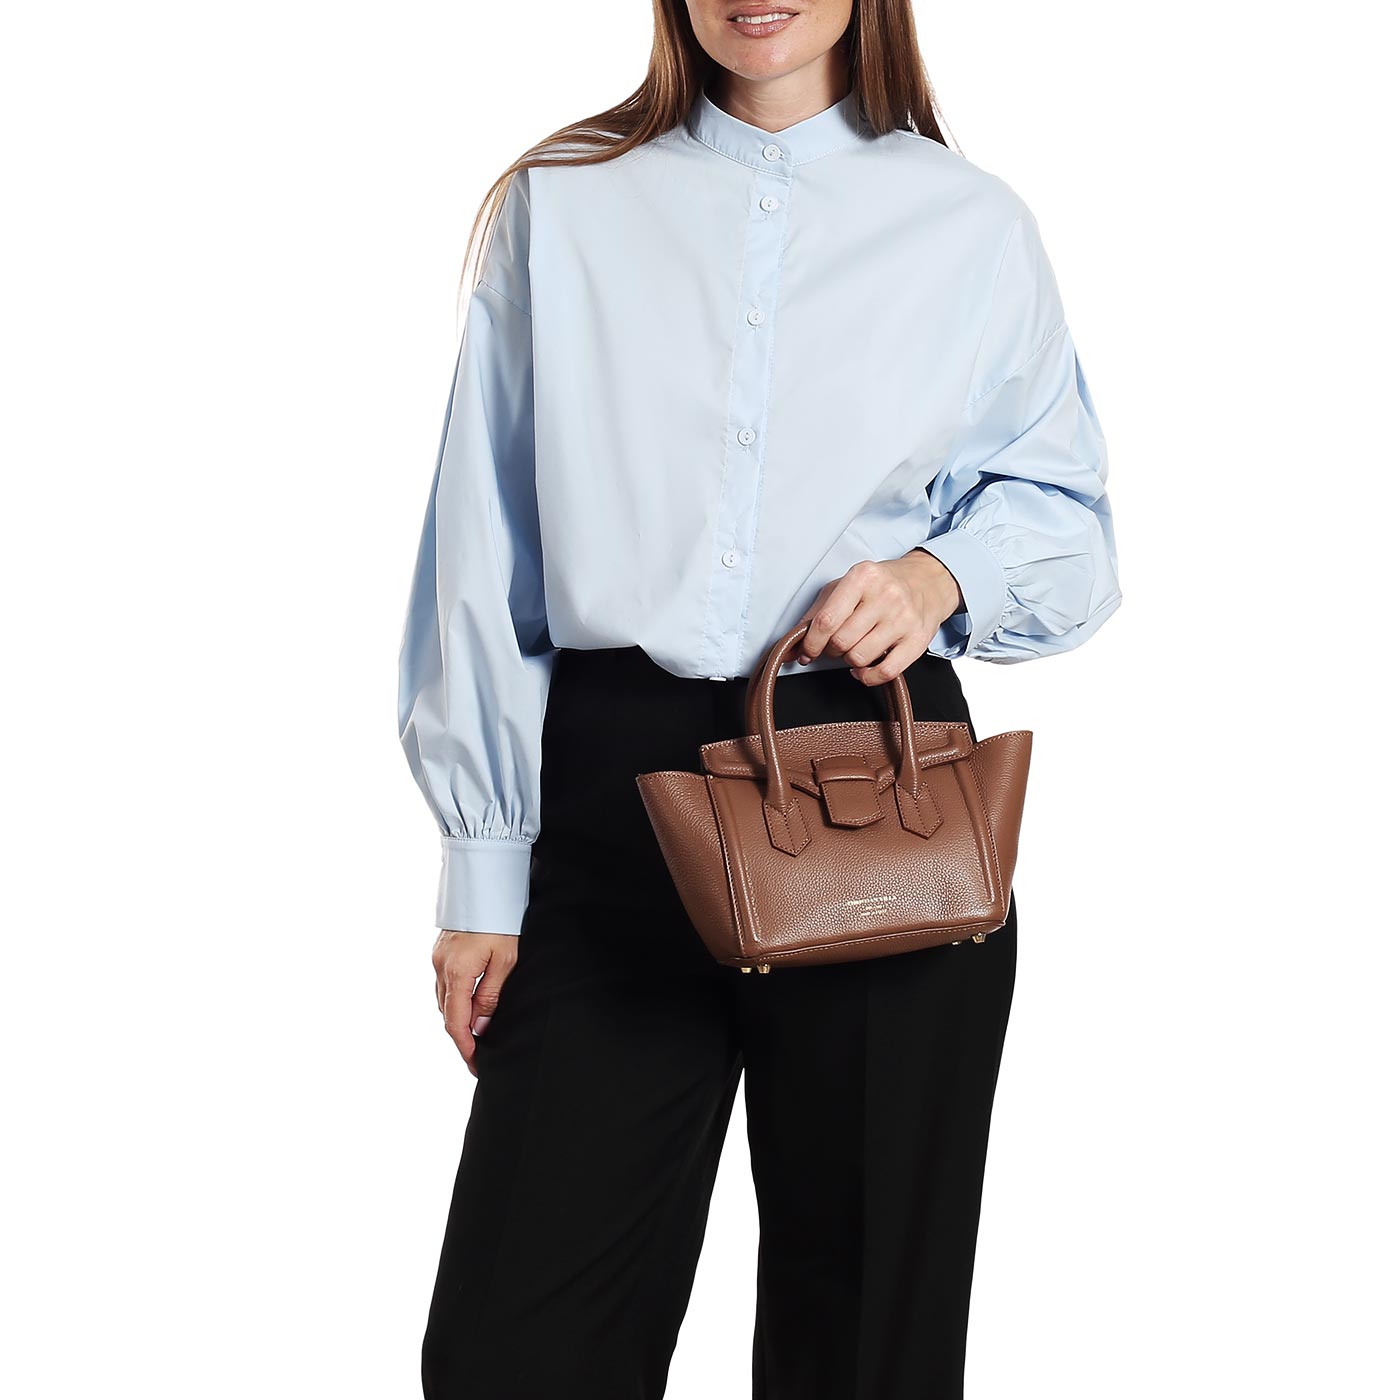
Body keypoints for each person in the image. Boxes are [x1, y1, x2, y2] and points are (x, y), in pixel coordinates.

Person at [397, 2, 1121, 1395]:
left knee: (865, 1352)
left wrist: (939, 576)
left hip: (877, 791)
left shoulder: (971, 226)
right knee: (514, 1351)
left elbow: (1072, 528)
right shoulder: (564, 204)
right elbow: (482, 549)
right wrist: (482, 873)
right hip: (611, 797)